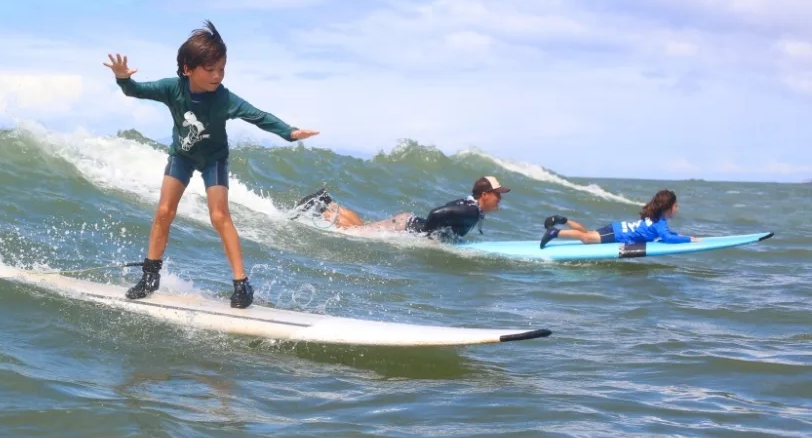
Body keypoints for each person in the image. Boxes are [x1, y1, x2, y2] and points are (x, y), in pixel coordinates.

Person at [106, 20, 318, 308]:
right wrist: (123, 79)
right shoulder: (172, 89)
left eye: (222, 68)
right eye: (211, 69)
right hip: (181, 156)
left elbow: (258, 115)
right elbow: (136, 91)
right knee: (164, 211)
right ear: (188, 69)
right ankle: (149, 275)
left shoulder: (224, 99)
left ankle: (242, 285)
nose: (218, 75)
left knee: (219, 216)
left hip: (213, 159)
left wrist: (289, 132)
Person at [289, 176, 510, 241]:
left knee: (361, 227)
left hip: (407, 222)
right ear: (484, 195)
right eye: (498, 194)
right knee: (352, 233)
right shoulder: (471, 211)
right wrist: (428, 236)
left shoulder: (470, 206)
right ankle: (321, 206)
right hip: (407, 227)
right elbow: (437, 214)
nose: (500, 198)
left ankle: (326, 202)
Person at [538, 189, 701, 249]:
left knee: (587, 232)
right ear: (667, 208)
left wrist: (678, 235)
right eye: (676, 206)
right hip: (617, 235)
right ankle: (555, 233)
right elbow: (665, 237)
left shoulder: (654, 217)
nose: (677, 209)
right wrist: (687, 239)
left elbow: (666, 233)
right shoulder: (660, 222)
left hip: (616, 227)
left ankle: (563, 220)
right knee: (586, 238)